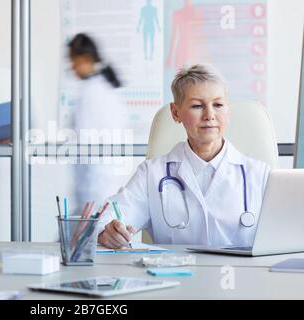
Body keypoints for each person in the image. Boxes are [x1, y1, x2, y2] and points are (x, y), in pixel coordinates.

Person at [98, 64, 270, 248]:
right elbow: (106, 219)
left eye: (218, 105)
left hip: (241, 276)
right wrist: (105, 232)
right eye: (197, 106)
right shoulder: (152, 174)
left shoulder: (260, 174)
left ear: (228, 111)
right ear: (175, 112)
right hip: (174, 275)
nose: (209, 115)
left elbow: (287, 234)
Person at [68, 33, 128, 211]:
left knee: (86, 236)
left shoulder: (91, 93)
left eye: (73, 60)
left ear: (85, 59)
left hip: (94, 185)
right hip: (106, 182)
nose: (71, 67)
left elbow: (84, 141)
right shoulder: (106, 89)